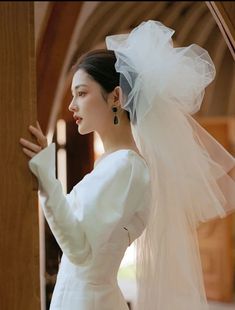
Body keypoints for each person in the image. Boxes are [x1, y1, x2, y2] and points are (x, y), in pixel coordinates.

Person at [19, 20, 235, 310]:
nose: (71, 105)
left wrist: (47, 177)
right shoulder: (113, 164)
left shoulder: (128, 168)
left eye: (81, 93)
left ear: (116, 97)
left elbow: (79, 250)